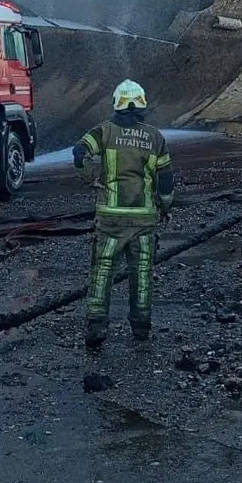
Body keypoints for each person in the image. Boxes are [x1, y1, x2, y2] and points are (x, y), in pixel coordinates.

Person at [73, 79, 174, 350]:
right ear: (141, 104)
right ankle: (141, 329)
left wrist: (89, 179)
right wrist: (165, 206)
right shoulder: (155, 137)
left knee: (102, 270)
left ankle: (96, 328)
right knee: (141, 272)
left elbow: (79, 152)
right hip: (143, 219)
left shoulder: (104, 131)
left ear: (116, 103)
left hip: (110, 219)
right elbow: (165, 179)